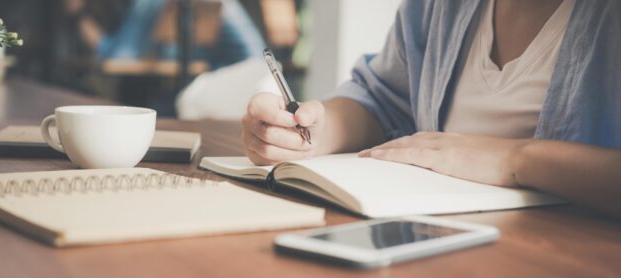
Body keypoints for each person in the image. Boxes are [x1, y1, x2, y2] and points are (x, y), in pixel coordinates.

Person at [241, 0, 621, 218]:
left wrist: (515, 159)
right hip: (433, 246)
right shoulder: (437, 8)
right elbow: (382, 98)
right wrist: (315, 132)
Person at [63, 0, 265, 69]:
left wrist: (78, 13)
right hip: (250, 86)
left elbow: (117, 57)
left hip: (226, 91)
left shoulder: (151, 3)